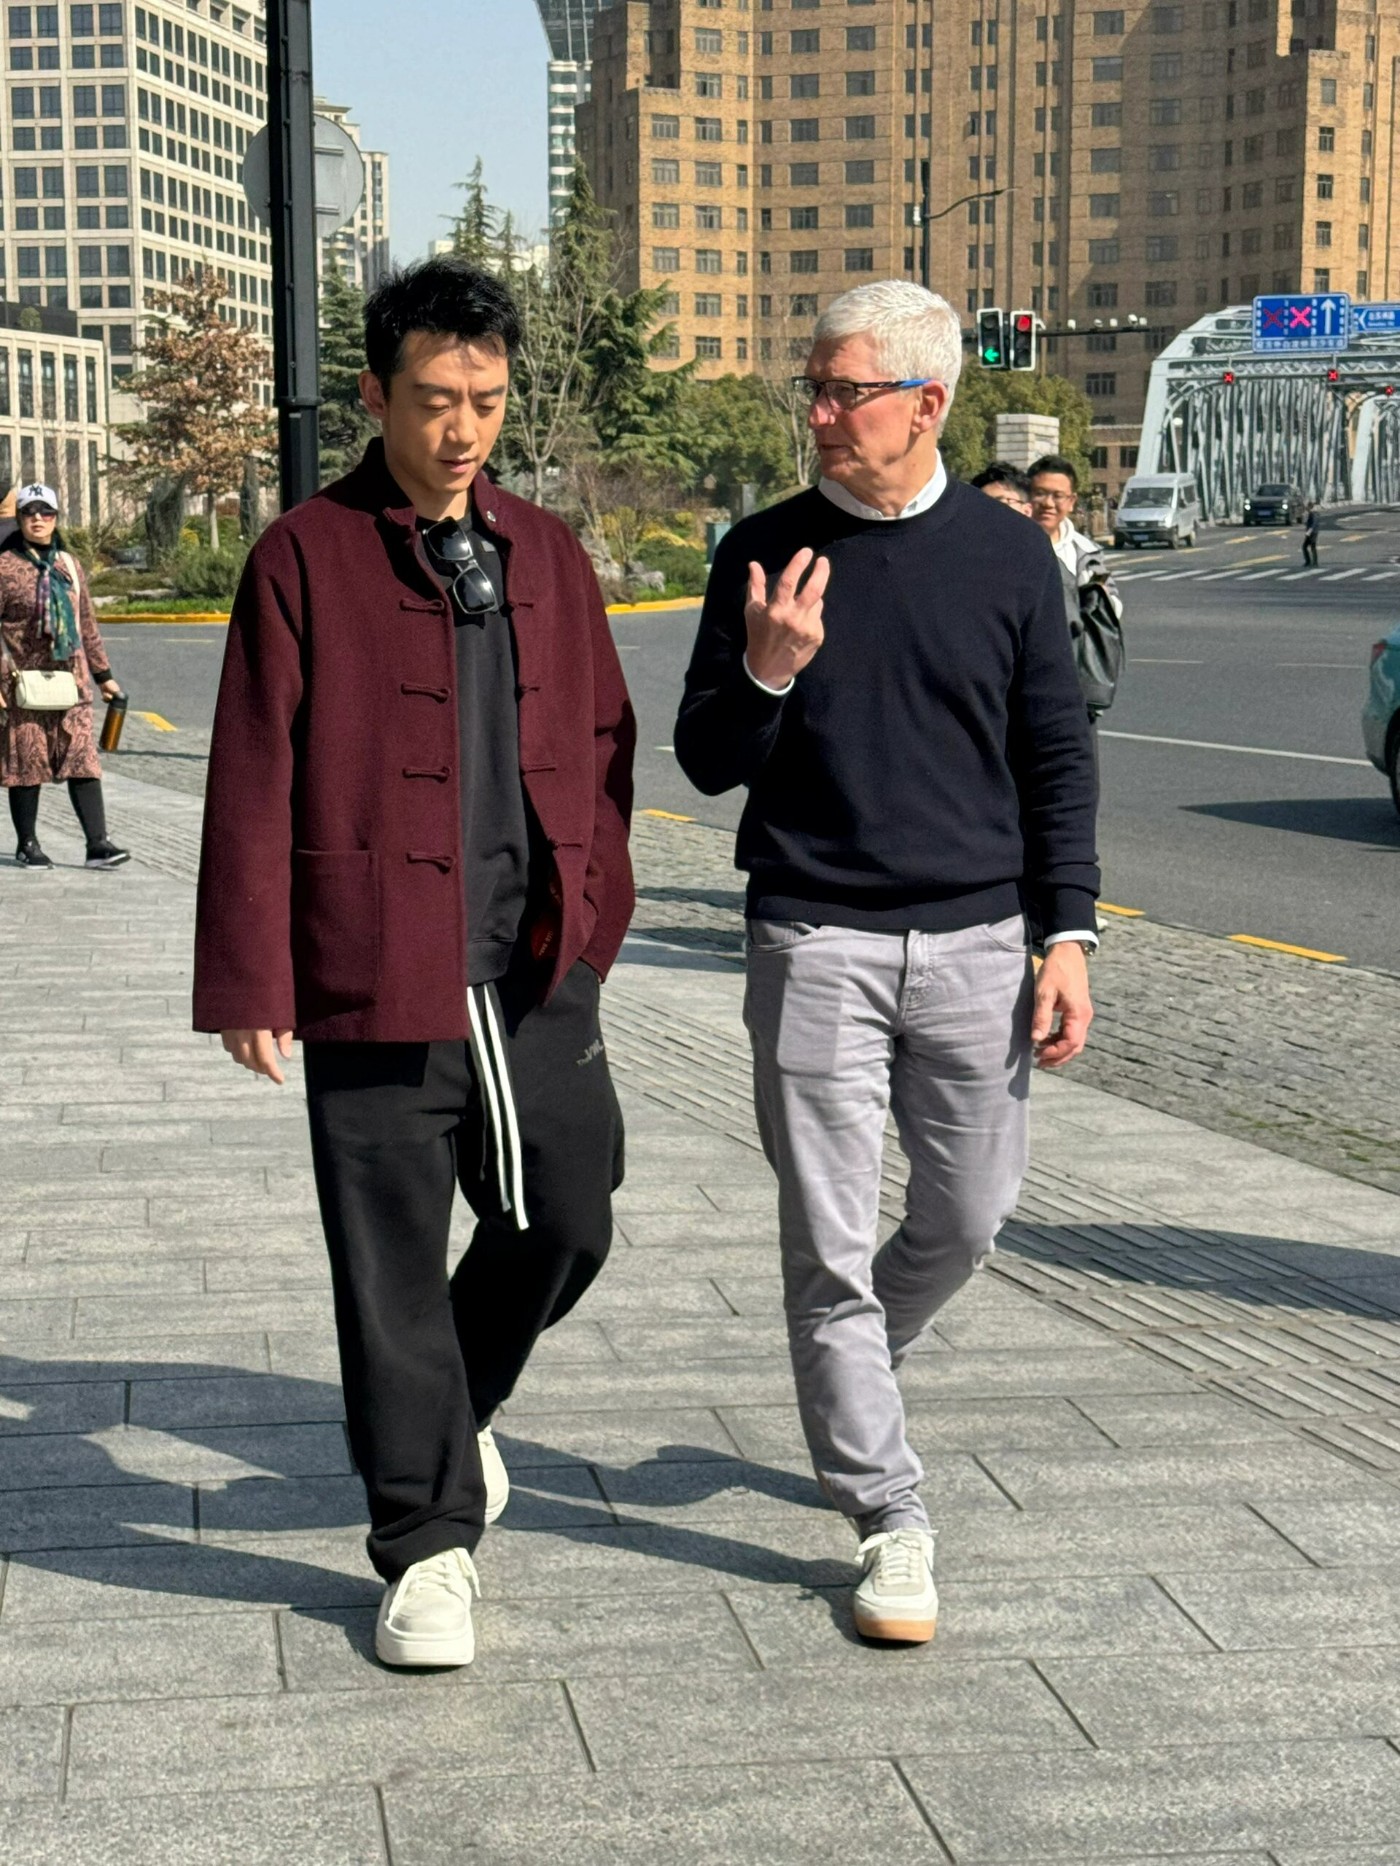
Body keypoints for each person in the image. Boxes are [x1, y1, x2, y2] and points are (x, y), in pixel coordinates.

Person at [193, 258, 636, 1670]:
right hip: (373, 963)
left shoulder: (545, 551)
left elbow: (606, 743)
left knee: (569, 1214)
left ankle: (447, 1412)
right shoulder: (304, 554)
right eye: (436, 399)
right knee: (386, 1265)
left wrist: (596, 915)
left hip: (532, 964)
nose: (462, 429)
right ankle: (426, 1545)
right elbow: (250, 772)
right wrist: (253, 976)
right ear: (376, 394)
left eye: (486, 401)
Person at [675, 281, 1098, 1648]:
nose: (816, 413)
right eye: (811, 386)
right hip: (812, 936)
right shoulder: (762, 551)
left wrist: (1067, 932)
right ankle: (886, 1510)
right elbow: (703, 758)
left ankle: (858, 1353)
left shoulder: (1007, 557)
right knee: (828, 1245)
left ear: (927, 403)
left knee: (969, 1217)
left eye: (842, 390)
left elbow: (1054, 754)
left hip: (978, 941)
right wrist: (768, 670)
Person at [0, 481, 129, 870]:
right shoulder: (4, 567)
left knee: (82, 758)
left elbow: (86, 623)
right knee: (27, 761)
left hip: (71, 681)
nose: (38, 519)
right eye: (29, 512)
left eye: (46, 512)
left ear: (56, 518)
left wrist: (104, 676)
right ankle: (27, 844)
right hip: (23, 682)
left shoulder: (69, 565)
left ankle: (98, 844)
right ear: (19, 518)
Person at [1028, 453, 1125, 731]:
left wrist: (1095, 596)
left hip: (1072, 687)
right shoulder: (1008, 544)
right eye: (1040, 493)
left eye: (1057, 496)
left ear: (1071, 501)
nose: (1048, 503)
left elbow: (1113, 609)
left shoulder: (1086, 553)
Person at [1303, 502, 1319, 567]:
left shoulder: (1313, 514)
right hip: (1312, 532)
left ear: (1310, 507)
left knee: (1311, 547)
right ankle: (1310, 562)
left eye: (1307, 507)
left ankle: (1312, 562)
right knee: (1306, 547)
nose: (1306, 508)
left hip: (1312, 533)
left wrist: (1309, 531)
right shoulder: (1311, 513)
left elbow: (1314, 523)